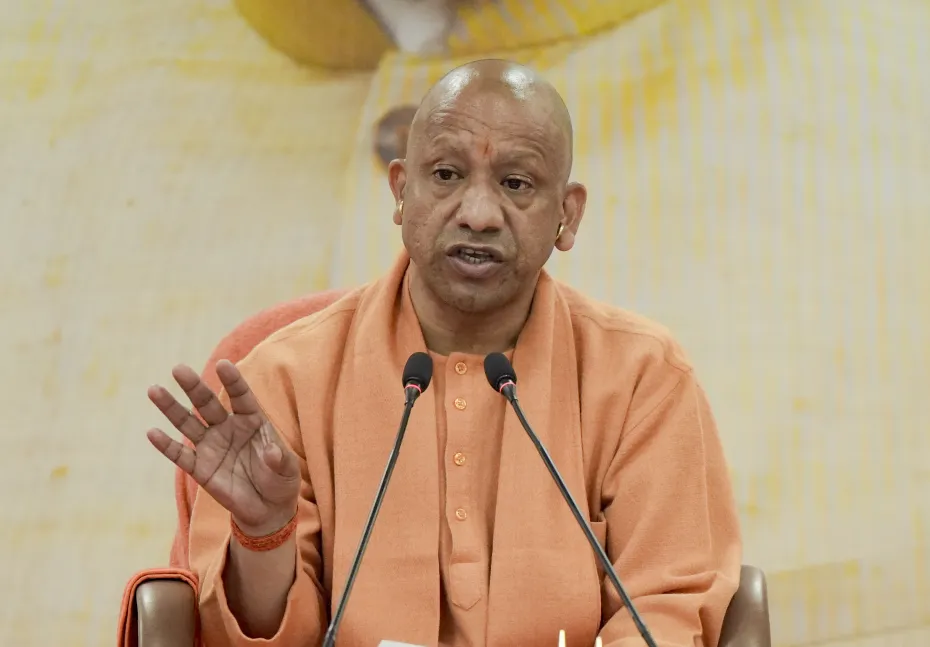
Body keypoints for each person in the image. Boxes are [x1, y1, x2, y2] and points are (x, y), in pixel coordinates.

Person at [144, 59, 742, 647]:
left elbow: (666, 608)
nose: (478, 215)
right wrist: (264, 536)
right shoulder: (283, 379)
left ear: (568, 214)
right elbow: (261, 638)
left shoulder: (642, 379)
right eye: (447, 175)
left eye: (516, 183)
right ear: (401, 191)